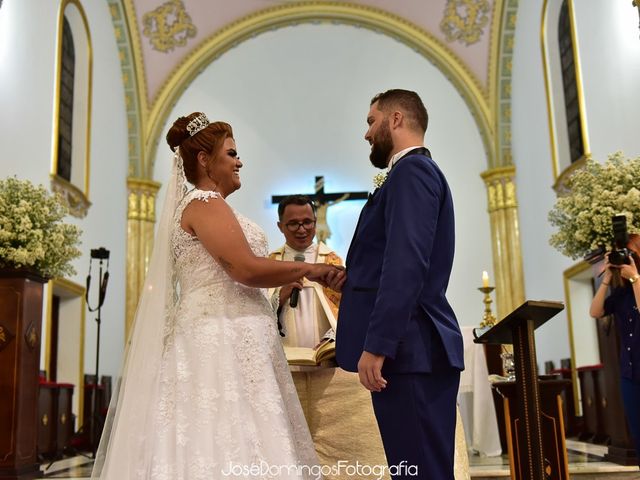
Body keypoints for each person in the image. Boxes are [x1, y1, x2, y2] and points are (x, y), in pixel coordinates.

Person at [91, 112, 343, 479]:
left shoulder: (215, 207)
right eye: (231, 153)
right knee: (219, 440)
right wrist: (312, 269)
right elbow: (244, 268)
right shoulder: (203, 204)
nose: (239, 161)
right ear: (204, 160)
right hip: (217, 341)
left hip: (239, 335)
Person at [329, 89, 464, 480]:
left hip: (408, 349)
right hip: (410, 350)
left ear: (397, 119)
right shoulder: (411, 174)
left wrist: (378, 345)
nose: (366, 134)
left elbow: (406, 264)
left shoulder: (412, 172)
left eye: (371, 121)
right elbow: (398, 258)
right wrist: (354, 282)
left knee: (420, 472)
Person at [268, 195, 388, 480]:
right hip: (285, 366)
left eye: (307, 222)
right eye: (293, 223)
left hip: (326, 367)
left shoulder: (331, 262)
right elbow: (256, 311)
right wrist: (278, 297)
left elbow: (349, 310)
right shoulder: (270, 264)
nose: (301, 229)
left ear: (316, 222)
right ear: (280, 225)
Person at [589, 234, 640, 467]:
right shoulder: (620, 294)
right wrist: (607, 278)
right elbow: (595, 311)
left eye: (630, 253)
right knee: (637, 430)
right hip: (629, 371)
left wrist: (636, 279)